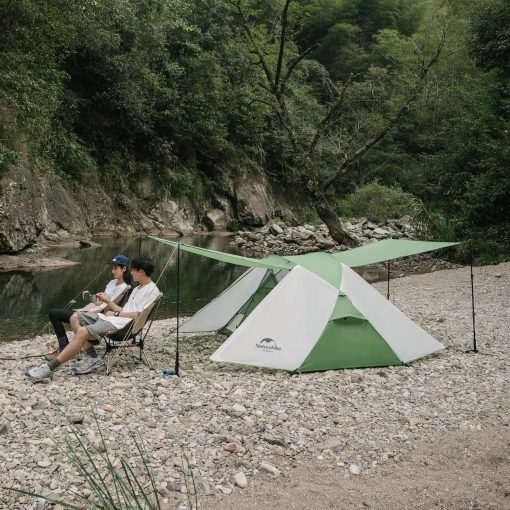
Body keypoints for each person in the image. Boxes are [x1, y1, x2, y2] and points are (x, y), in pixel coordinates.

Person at [26, 255, 160, 381]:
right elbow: (125, 310)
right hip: (112, 319)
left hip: (122, 326)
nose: (131, 273)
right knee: (74, 317)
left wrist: (115, 314)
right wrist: (108, 302)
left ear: (141, 272)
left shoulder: (152, 291)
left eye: (134, 271)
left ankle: (49, 368)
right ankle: (93, 357)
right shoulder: (137, 289)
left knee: (82, 332)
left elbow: (139, 314)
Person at [46, 255, 131, 360]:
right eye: (112, 268)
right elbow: (101, 302)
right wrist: (90, 298)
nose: (113, 271)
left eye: (115, 268)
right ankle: (72, 345)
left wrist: (97, 304)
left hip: (97, 316)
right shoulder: (112, 283)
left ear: (124, 269)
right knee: (55, 314)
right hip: (93, 311)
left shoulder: (123, 287)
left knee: (54, 314)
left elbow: (110, 306)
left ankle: (69, 346)